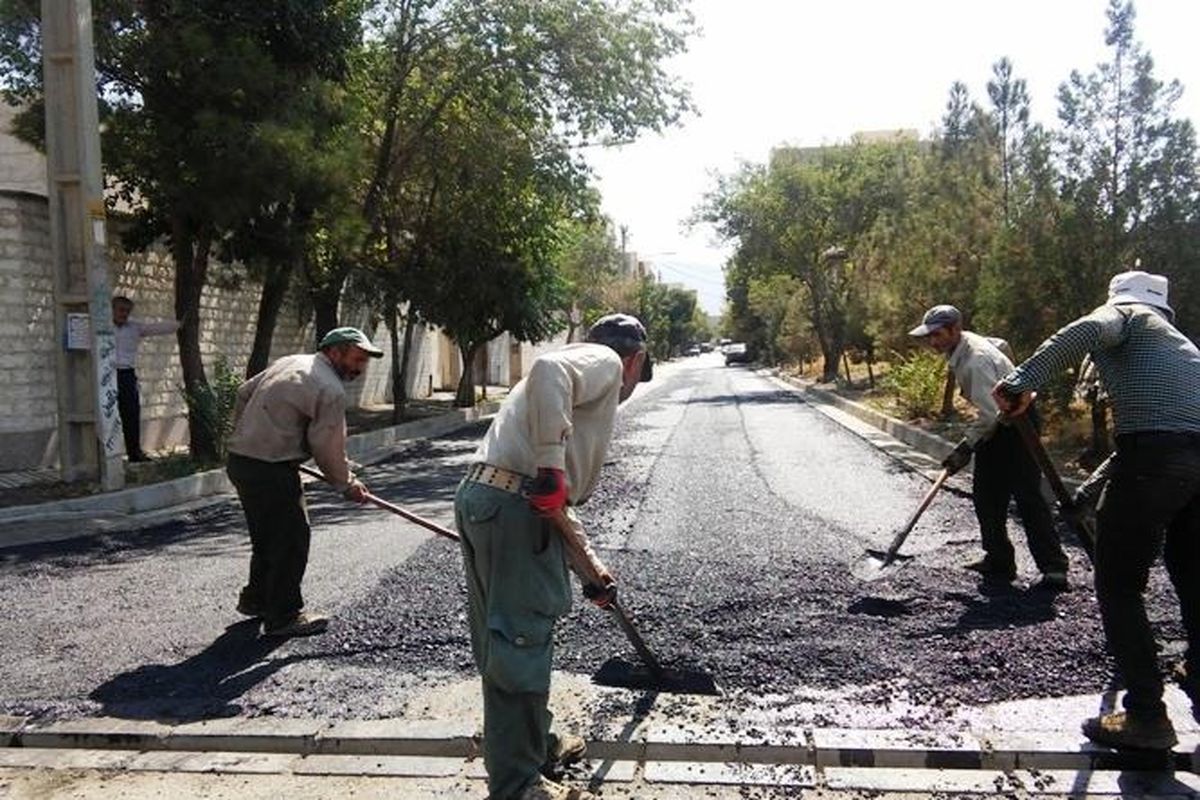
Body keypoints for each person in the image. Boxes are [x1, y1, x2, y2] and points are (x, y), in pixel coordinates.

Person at [993, 270, 1200, 751]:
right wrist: (1085, 494)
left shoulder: (1126, 315)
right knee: (1193, 575)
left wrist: (1022, 380)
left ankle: (1147, 715)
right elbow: (1156, 438)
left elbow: (1084, 331)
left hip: (1156, 461)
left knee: (1119, 584)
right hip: (1187, 463)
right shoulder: (1181, 348)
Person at [454, 313, 652, 800]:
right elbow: (547, 372)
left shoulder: (561, 400)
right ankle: (517, 785)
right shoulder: (605, 360)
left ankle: (534, 743)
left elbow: (551, 504)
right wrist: (550, 468)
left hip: (487, 499)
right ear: (637, 361)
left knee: (502, 641)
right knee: (519, 642)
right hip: (512, 508)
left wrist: (590, 569)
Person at [226, 327, 382, 638]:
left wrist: (246, 434)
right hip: (272, 468)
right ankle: (283, 615)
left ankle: (256, 599)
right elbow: (327, 446)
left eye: (364, 362)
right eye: (356, 358)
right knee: (292, 539)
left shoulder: (289, 362)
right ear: (334, 352)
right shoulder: (330, 388)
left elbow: (244, 393)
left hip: (241, 461)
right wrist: (346, 484)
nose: (360, 368)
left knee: (266, 535)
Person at [909, 304, 1069, 590]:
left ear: (955, 329)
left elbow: (989, 416)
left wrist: (965, 446)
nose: (933, 341)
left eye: (937, 335)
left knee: (1027, 496)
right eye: (929, 336)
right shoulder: (964, 347)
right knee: (986, 494)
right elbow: (1001, 351)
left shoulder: (976, 360)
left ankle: (1054, 568)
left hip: (1017, 425)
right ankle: (999, 559)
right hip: (1000, 420)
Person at [111, 295, 181, 461]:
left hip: (126, 374)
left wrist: (179, 325)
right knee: (105, 415)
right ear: (112, 310)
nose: (124, 314)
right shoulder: (103, 327)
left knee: (131, 413)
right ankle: (105, 456)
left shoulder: (134, 327)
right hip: (106, 374)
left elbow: (155, 328)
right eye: (121, 310)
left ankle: (134, 453)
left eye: (127, 311)